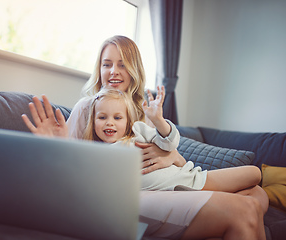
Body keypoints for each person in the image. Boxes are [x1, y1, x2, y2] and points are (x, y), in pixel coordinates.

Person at [22, 35, 268, 239]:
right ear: (99, 69)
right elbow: (70, 178)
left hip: (166, 185)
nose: (114, 72)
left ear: (134, 69)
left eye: (122, 64)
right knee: (244, 209)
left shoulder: (147, 110)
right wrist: (56, 147)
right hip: (128, 195)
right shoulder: (87, 107)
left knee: (258, 194)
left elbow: (174, 156)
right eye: (107, 64)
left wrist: (171, 156)